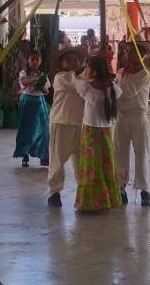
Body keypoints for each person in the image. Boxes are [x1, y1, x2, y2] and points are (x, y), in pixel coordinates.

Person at [74, 56, 123, 212]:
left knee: (91, 165)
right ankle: (109, 199)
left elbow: (77, 79)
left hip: (90, 130)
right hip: (106, 131)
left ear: (93, 70)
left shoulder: (87, 87)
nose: (85, 70)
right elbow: (120, 92)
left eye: (88, 67)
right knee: (106, 163)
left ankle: (92, 202)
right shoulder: (112, 87)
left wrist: (83, 72)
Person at [114, 40, 150, 207]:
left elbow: (128, 92)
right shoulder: (122, 71)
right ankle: (120, 188)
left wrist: (114, 83)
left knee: (141, 153)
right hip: (122, 117)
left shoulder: (145, 73)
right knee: (119, 153)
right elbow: (116, 95)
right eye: (127, 51)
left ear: (143, 55)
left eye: (134, 51)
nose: (129, 54)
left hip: (138, 116)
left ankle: (144, 190)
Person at [47, 46, 86, 208]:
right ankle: (54, 192)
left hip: (80, 123)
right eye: (68, 59)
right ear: (62, 63)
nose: (72, 62)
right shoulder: (61, 77)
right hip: (61, 122)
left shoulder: (82, 77)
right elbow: (78, 84)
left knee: (81, 160)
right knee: (58, 159)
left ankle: (83, 189)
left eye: (75, 59)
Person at [13, 51, 51, 168]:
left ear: (40, 61)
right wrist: (34, 80)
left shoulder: (43, 74)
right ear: (28, 61)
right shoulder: (24, 73)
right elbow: (24, 81)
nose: (35, 62)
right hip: (27, 101)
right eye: (32, 59)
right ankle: (25, 155)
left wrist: (43, 88)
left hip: (40, 102)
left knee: (44, 130)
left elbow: (47, 90)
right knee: (27, 129)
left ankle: (44, 156)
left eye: (37, 59)